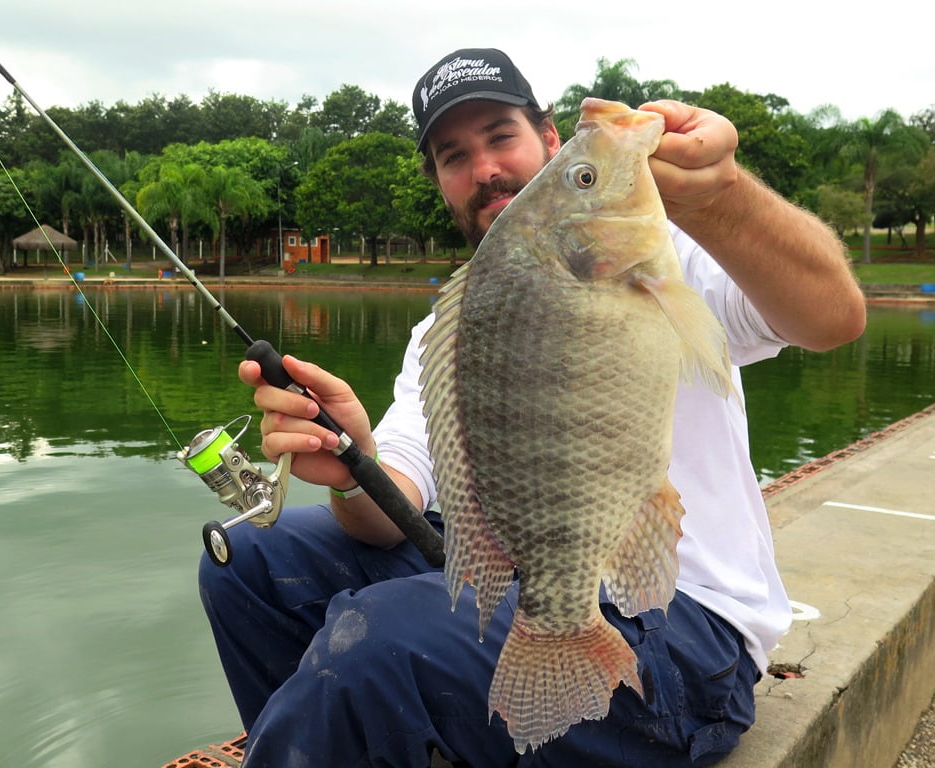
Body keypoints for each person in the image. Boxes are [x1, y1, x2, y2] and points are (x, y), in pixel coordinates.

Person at [199, 48, 866, 767]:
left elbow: (833, 317)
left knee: (380, 637)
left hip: (685, 621)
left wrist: (722, 196)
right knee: (252, 560)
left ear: (548, 138)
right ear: (439, 182)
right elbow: (393, 512)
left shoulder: (667, 258)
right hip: (530, 583)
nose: (484, 168)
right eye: (455, 156)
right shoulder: (450, 332)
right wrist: (352, 459)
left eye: (501, 136)